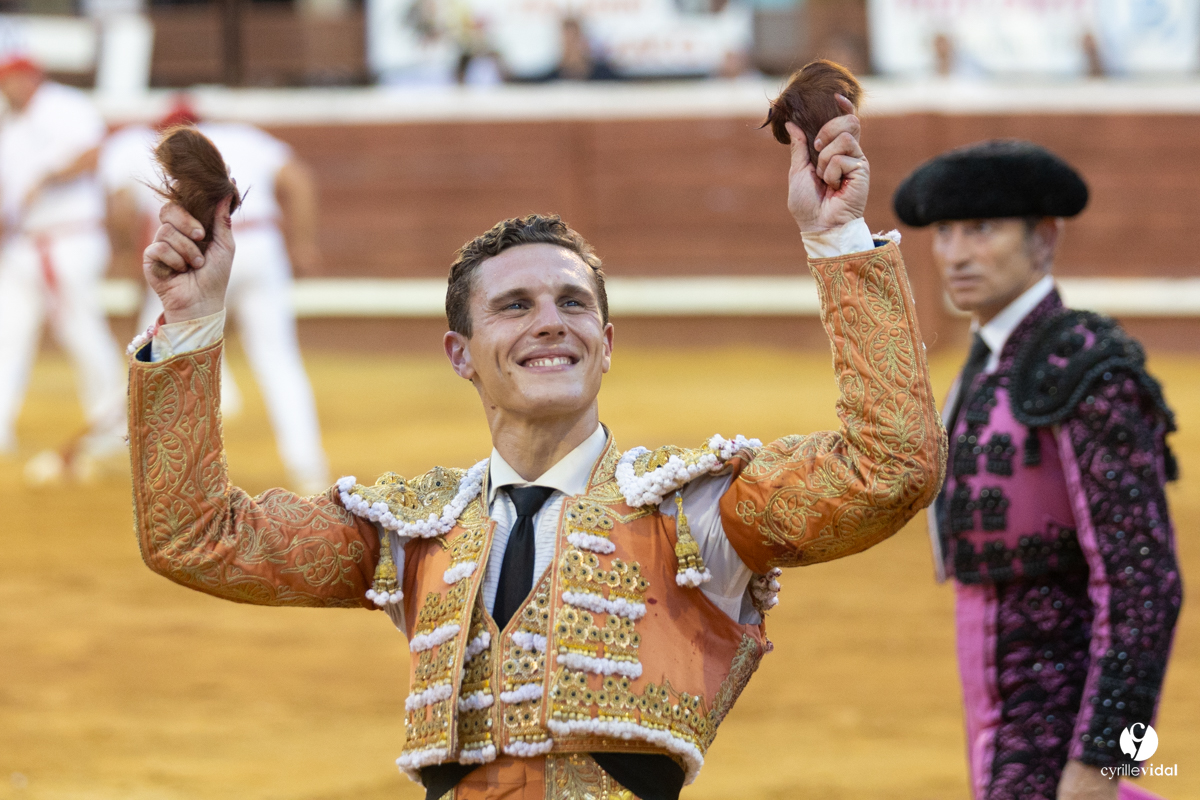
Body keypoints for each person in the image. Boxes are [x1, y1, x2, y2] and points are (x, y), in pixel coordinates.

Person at [129, 101, 945, 799]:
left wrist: (837, 239)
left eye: (572, 303)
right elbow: (198, 536)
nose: (550, 322)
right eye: (514, 306)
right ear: (460, 353)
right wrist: (193, 321)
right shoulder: (415, 534)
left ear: (606, 340)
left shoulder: (695, 512)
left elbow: (891, 467)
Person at [894, 140, 1181, 800]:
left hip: (1061, 697)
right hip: (995, 691)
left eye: (982, 229)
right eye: (945, 232)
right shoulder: (988, 363)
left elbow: (1143, 578)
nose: (957, 254)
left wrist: (1104, 756)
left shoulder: (1084, 365)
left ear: (1044, 240)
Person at [103, 103, 331, 494]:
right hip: (260, 245)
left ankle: (140, 454)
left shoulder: (151, 152)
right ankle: (308, 467)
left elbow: (123, 209)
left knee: (154, 354)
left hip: (201, 252)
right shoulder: (244, 137)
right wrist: (304, 243)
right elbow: (298, 178)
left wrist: (126, 254)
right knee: (278, 359)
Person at [0, 54, 126, 467]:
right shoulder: (8, 123)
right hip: (24, 244)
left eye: (15, 79)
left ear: (33, 77)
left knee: (80, 331)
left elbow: (92, 155)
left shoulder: (65, 106)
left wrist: (49, 176)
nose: (9, 87)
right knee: (8, 335)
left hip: (67, 239)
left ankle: (110, 430)